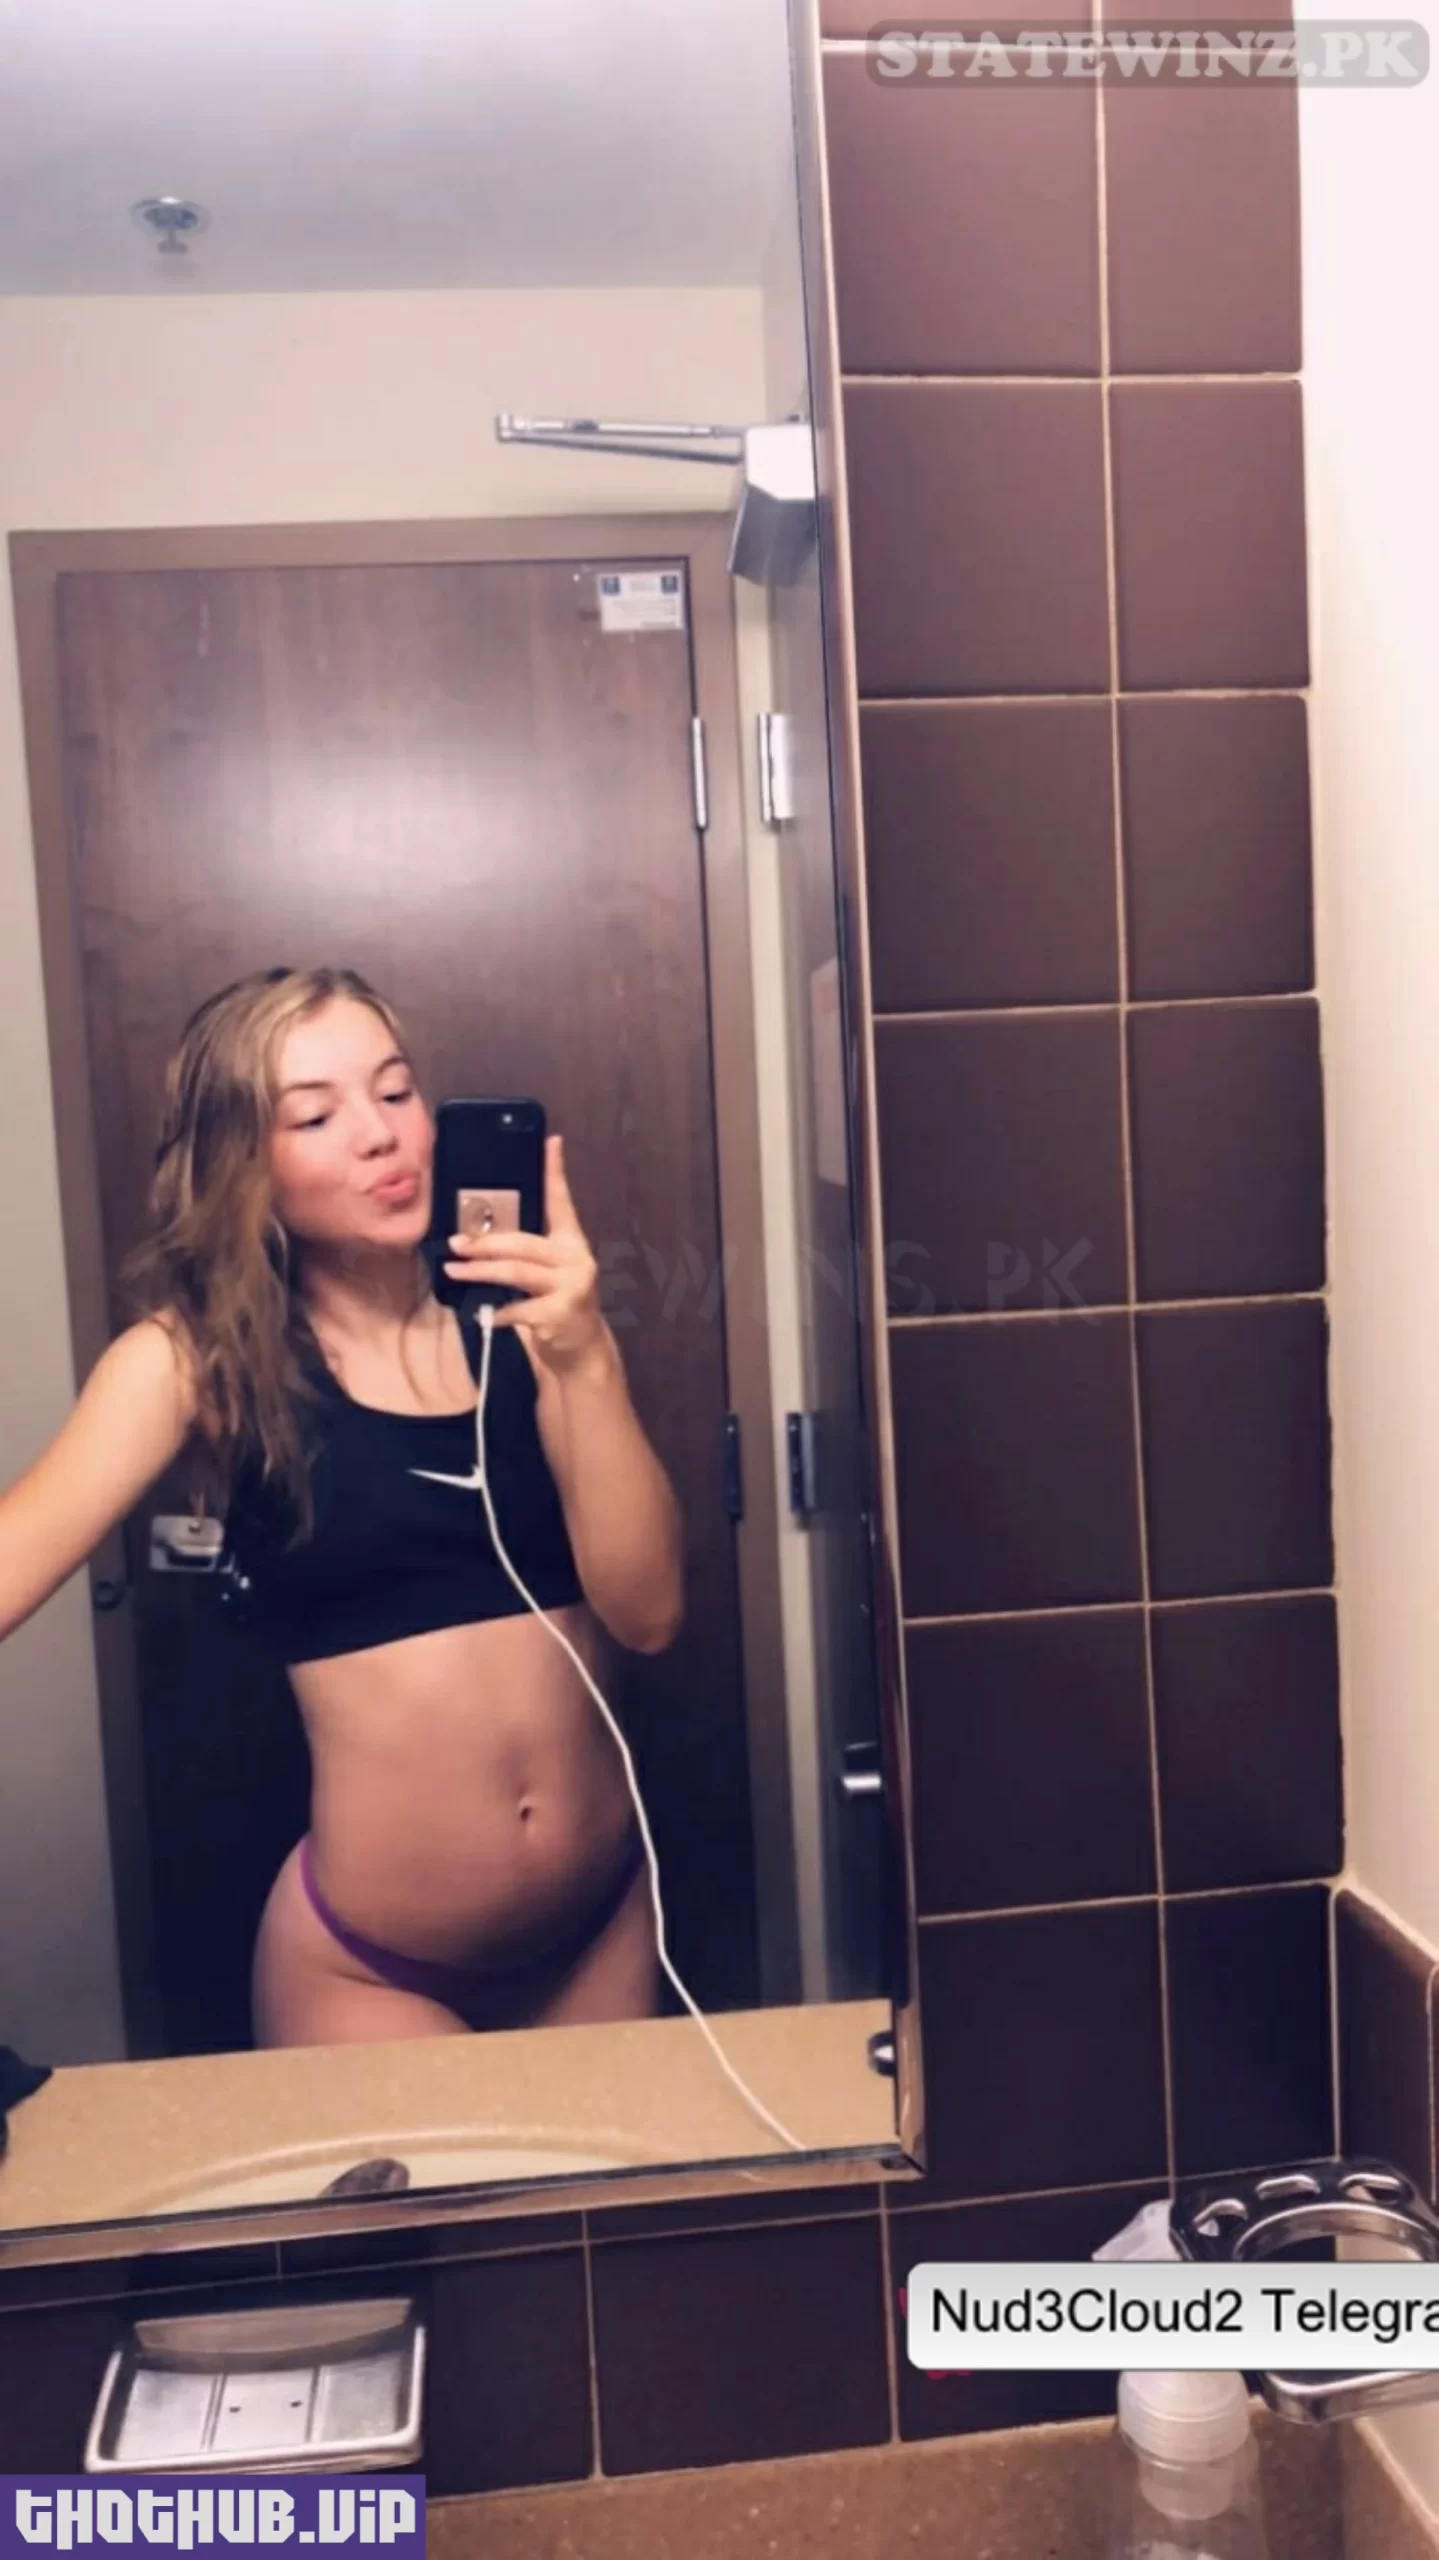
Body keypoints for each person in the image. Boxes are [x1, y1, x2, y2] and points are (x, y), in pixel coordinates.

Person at [0, 966, 684, 2049]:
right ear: (242, 1166)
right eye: (315, 1116)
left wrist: (585, 1355)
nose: (380, 1134)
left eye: (396, 1091)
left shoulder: (533, 1325)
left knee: (609, 2171)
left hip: (599, 1924)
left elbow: (648, 1615)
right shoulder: (193, 1363)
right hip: (373, 1974)